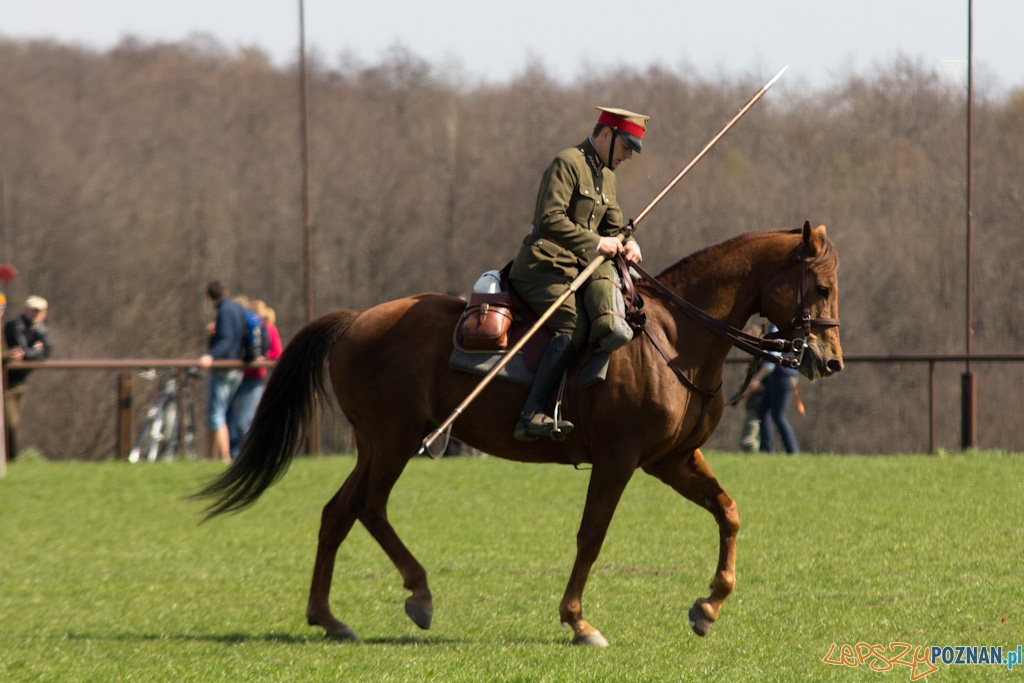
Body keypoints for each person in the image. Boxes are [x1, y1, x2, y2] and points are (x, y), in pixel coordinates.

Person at [508, 106, 649, 441]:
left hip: (577, 270)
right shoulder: (567, 163)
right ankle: (531, 413)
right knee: (573, 326)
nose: (628, 156)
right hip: (542, 268)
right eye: (626, 147)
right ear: (606, 135)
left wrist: (630, 243)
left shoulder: (607, 176)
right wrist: (597, 242)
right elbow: (549, 218)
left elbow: (614, 228)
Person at [228, 299, 282, 457]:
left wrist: (261, 358)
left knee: (243, 420)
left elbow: (276, 353)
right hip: (240, 376)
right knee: (234, 419)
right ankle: (237, 453)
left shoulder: (268, 328)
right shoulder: (246, 328)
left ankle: (252, 454)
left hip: (254, 378)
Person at [199, 281, 245, 461]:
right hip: (237, 367)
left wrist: (210, 355)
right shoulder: (236, 308)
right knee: (219, 414)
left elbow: (226, 340)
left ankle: (225, 457)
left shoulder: (224, 311)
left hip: (223, 369)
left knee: (216, 415)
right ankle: (211, 457)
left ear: (209, 297)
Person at [3, 295, 53, 461]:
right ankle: (12, 458)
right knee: (9, 424)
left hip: (20, 382)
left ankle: (10, 459)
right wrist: (36, 350)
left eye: (39, 311)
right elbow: (22, 352)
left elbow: (48, 350)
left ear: (44, 313)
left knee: (13, 423)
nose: (35, 314)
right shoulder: (14, 326)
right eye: (33, 310)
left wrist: (34, 352)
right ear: (25, 309)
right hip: (6, 382)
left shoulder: (40, 328)